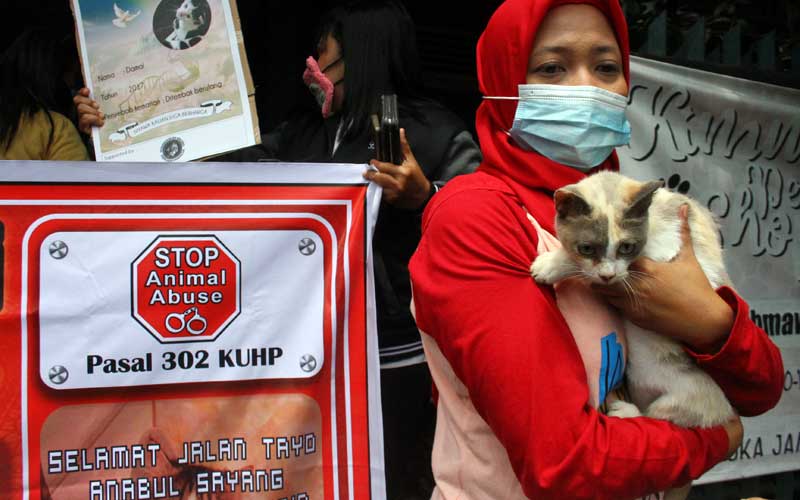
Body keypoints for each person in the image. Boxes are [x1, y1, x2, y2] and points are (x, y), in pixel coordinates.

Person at [73, 1, 481, 497]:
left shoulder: (439, 133)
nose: (312, 67)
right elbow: (214, 158)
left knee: (392, 477)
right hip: (307, 354)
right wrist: (118, 125)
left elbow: (483, 232)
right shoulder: (302, 132)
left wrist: (427, 198)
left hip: (396, 359)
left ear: (359, 55)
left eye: (322, 53)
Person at [407, 0, 784, 499]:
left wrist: (706, 321)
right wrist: (712, 440)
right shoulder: (476, 219)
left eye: (606, 67)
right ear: (502, 81)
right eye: (551, 68)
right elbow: (565, 464)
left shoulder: (630, 213)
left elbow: (762, 388)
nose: (586, 86)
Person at [1, 28, 88, 161]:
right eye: (75, 78)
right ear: (54, 78)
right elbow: (80, 179)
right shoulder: (56, 130)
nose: (77, 91)